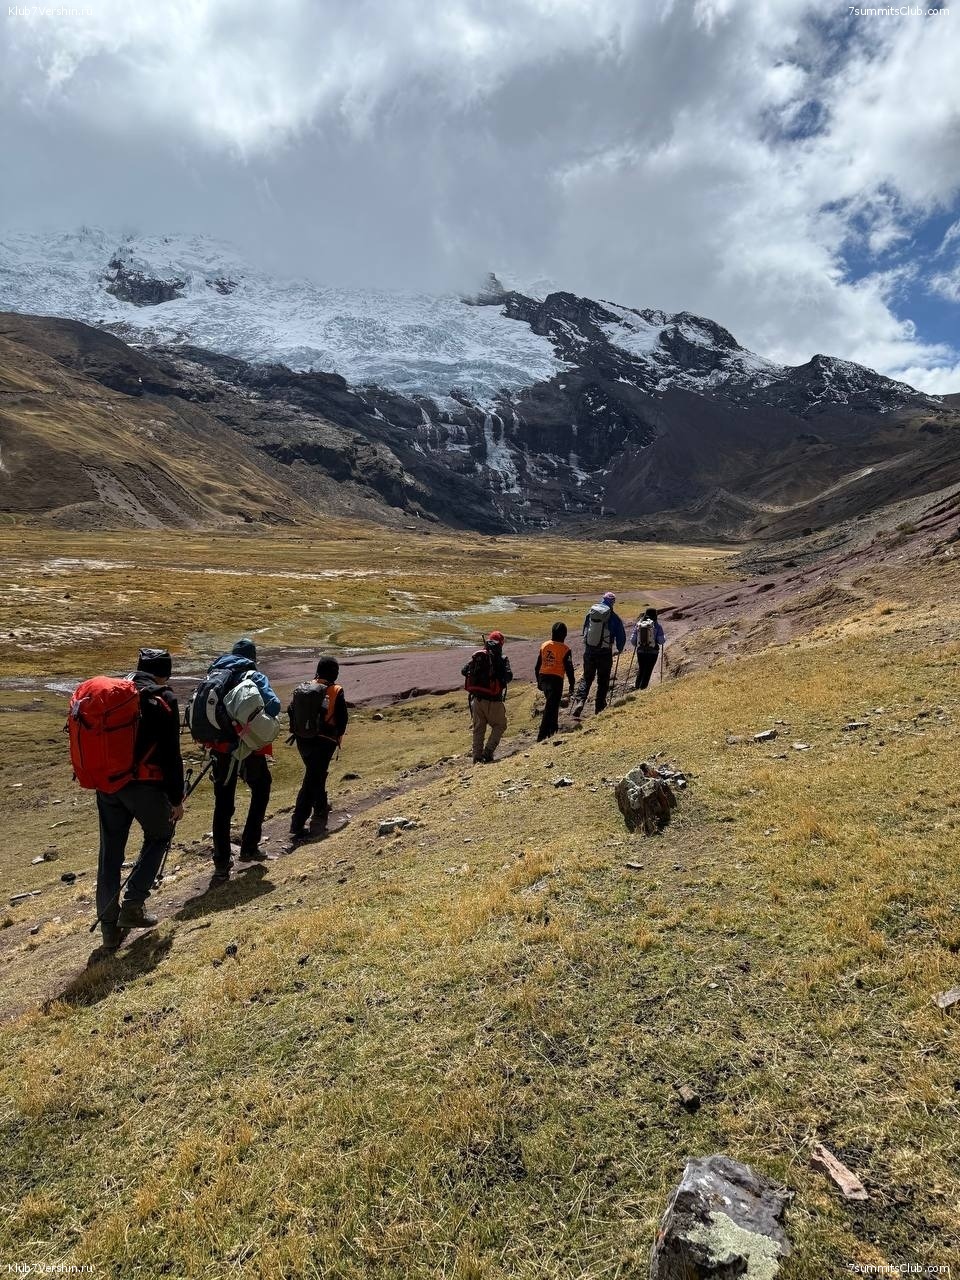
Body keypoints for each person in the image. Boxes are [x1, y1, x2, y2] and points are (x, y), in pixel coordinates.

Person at [95, 648, 184, 949]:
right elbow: (171, 755)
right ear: (164, 674)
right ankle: (133, 904)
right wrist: (176, 800)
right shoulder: (163, 698)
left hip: (108, 785)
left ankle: (109, 929)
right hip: (145, 786)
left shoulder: (116, 693)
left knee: (110, 854)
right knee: (160, 834)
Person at [208, 638, 281, 881]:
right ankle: (249, 846)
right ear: (253, 657)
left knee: (223, 803)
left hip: (219, 747)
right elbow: (274, 706)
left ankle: (221, 862)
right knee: (261, 788)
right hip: (248, 748)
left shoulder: (215, 674)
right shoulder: (254, 676)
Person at [288, 656, 349, 841]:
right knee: (311, 779)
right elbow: (342, 719)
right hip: (324, 741)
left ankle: (321, 808)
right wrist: (337, 736)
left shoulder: (305, 687)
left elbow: (291, 710)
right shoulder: (336, 690)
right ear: (334, 672)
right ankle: (297, 824)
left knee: (316, 774)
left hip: (302, 740)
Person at [461, 630, 513, 763]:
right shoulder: (501, 658)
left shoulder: (479, 656)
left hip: (476, 699)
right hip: (494, 700)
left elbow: (464, 671)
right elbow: (508, 676)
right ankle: (488, 752)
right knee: (500, 725)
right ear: (501, 643)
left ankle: (476, 757)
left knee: (478, 729)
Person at [572, 591, 625, 717]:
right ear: (613, 602)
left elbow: (585, 629)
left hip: (590, 650)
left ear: (603, 599)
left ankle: (580, 701)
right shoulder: (614, 617)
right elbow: (621, 635)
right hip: (605, 652)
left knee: (587, 677)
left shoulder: (591, 612)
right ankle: (599, 707)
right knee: (603, 680)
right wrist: (620, 648)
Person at [535, 621, 576, 741]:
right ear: (564, 635)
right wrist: (572, 684)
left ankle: (553, 730)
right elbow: (569, 669)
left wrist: (538, 682)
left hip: (543, 677)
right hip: (556, 680)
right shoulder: (565, 649)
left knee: (552, 705)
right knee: (550, 707)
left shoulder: (544, 645)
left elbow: (537, 666)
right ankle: (542, 735)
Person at [631, 607, 667, 690]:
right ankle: (642, 689)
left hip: (640, 651)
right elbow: (661, 641)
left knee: (641, 669)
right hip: (652, 652)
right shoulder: (657, 626)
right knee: (648, 671)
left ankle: (637, 688)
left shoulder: (638, 625)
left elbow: (633, 641)